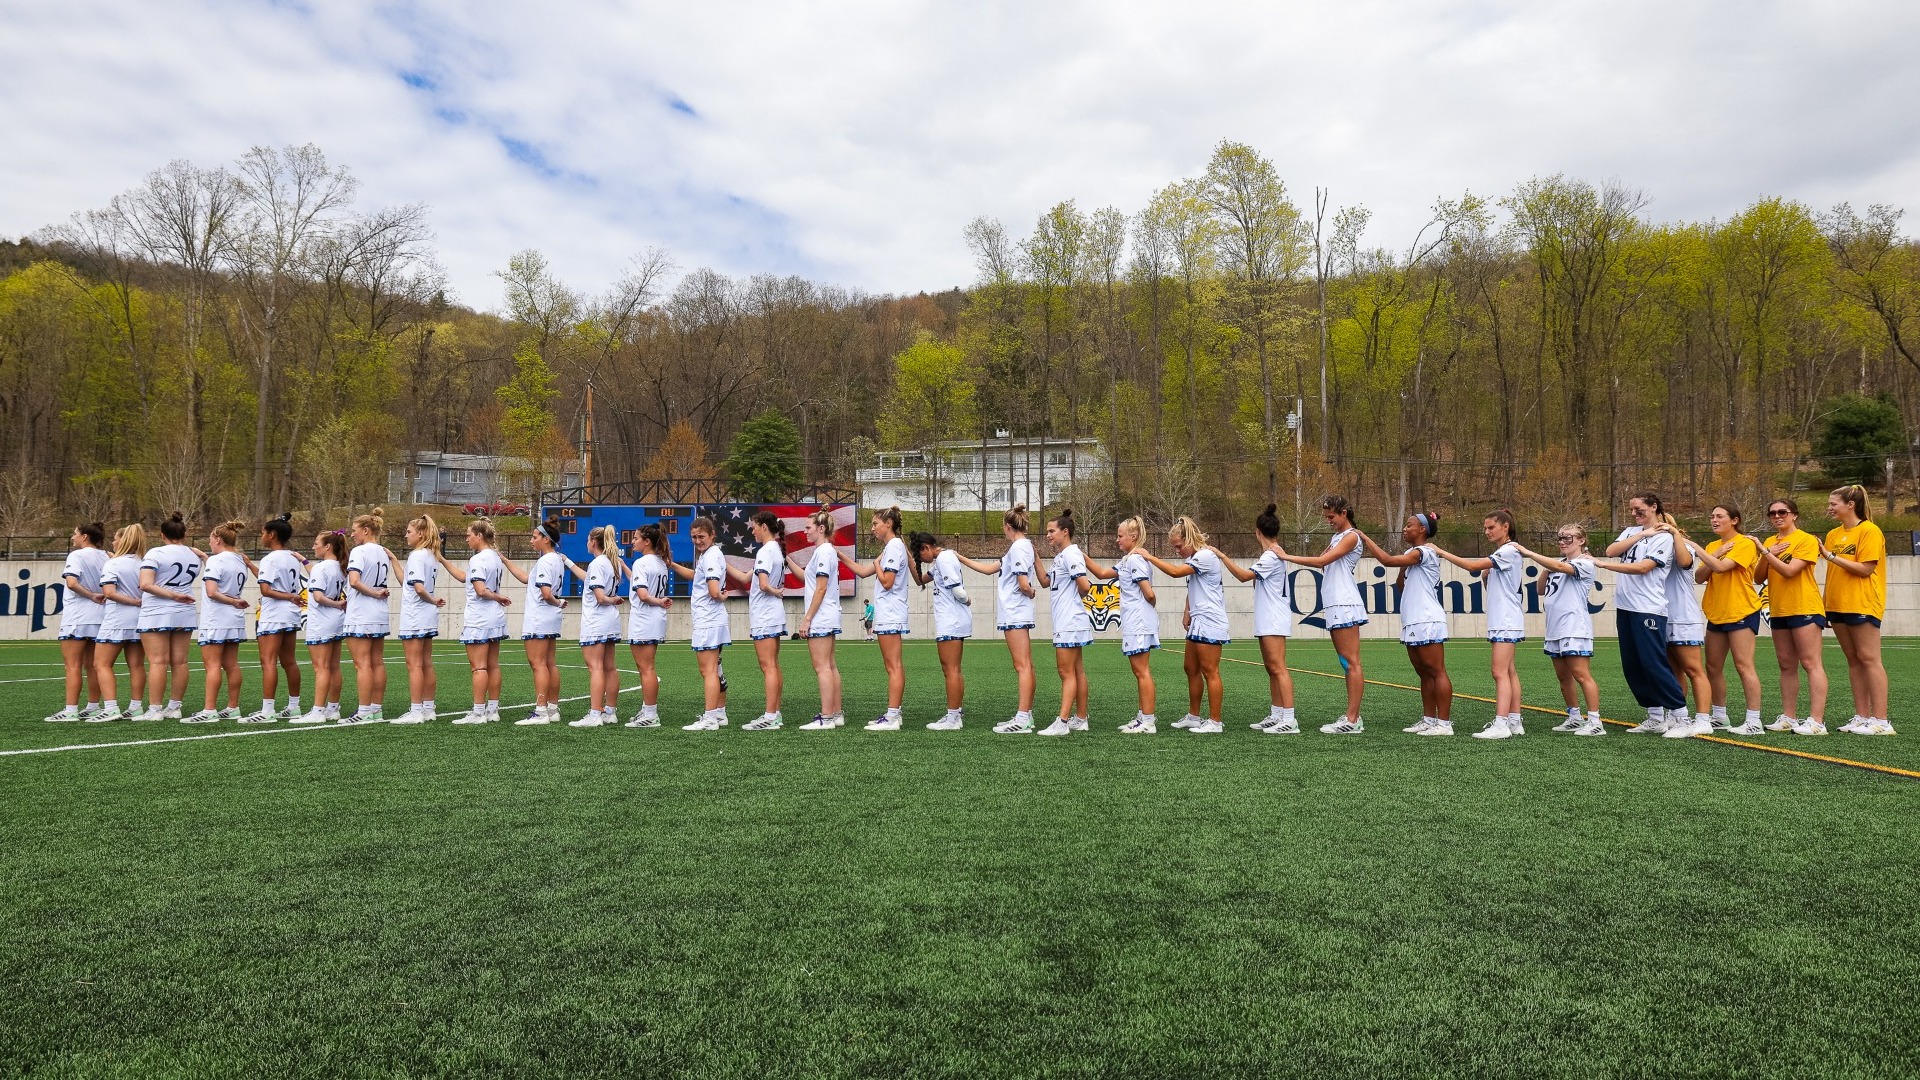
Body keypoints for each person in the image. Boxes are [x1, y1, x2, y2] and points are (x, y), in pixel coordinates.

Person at [1593, 492, 1689, 734]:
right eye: (1632, 509)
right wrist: (1642, 534)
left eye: (1639, 509)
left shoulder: (1665, 537)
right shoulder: (1632, 532)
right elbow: (1611, 550)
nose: (1634, 513)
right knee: (1633, 665)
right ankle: (1655, 716)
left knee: (1654, 663)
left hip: (1648, 608)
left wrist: (1606, 566)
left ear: (1654, 506)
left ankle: (1681, 717)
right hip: (1625, 607)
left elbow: (1644, 567)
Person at [1277, 495, 1369, 734]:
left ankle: (1353, 719)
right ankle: (1351, 716)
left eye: (1331, 517)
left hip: (1345, 603)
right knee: (1345, 662)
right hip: (1335, 603)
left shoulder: (1351, 536)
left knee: (1352, 662)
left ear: (1344, 514)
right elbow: (1323, 559)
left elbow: (1321, 561)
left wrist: (1286, 556)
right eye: (1326, 517)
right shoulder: (1338, 536)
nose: (1328, 521)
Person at [1431, 509, 1527, 740]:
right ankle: (1514, 721)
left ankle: (1502, 723)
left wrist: (1441, 551)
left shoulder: (1508, 550)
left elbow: (1471, 567)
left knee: (1499, 671)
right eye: (1485, 528)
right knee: (1509, 671)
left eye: (1491, 527)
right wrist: (1486, 577)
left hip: (1505, 619)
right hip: (1504, 618)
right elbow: (1489, 582)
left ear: (1505, 526)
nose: (1486, 532)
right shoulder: (1503, 554)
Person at [1357, 512, 1452, 736]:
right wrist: (1404, 564)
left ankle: (1445, 724)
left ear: (1422, 530)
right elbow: (1401, 585)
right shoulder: (1412, 554)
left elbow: (1387, 561)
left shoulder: (1425, 551)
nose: (1405, 529)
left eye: (1410, 525)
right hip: (1413, 620)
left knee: (1437, 671)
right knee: (1424, 673)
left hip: (1427, 618)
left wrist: (1364, 537)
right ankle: (1429, 719)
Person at [1136, 516, 1227, 734]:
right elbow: (1193, 587)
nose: (1177, 551)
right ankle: (1194, 716)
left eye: (1178, 546)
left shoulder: (1205, 556)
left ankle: (1215, 721)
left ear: (1188, 539)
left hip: (1210, 620)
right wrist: (1187, 612)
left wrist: (1149, 557)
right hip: (1198, 619)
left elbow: (1175, 573)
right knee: (1191, 668)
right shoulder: (1196, 558)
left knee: (1210, 671)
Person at [1217, 506, 1301, 734]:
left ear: (1257, 532)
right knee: (1271, 668)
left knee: (1279, 667)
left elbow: (1244, 577)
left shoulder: (1272, 555)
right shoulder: (1272, 554)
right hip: (1267, 617)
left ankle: (1290, 718)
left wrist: (1222, 556)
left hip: (1274, 617)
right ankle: (1276, 714)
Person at [957, 505, 1040, 733]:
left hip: (1015, 612)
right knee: (1025, 665)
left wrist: (1031, 592)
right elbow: (988, 569)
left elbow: (1024, 584)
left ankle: (1023, 718)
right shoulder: (1018, 548)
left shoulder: (1020, 547)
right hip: (1014, 612)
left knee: (1022, 665)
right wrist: (960, 557)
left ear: (1007, 526)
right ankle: (1025, 714)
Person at [1516, 524, 1603, 737]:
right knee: (1563, 676)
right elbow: (1539, 589)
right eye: (1560, 539)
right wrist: (1548, 567)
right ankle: (1574, 717)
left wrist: (1529, 553)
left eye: (1568, 538)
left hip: (1574, 626)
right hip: (1555, 627)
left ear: (1582, 541)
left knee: (1581, 675)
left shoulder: (1585, 562)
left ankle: (1595, 721)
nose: (1563, 542)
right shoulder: (1559, 563)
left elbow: (1565, 569)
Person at [1755, 497, 1828, 735]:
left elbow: (1789, 571)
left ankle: (1817, 721)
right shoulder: (1770, 542)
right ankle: (1789, 717)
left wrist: (1766, 552)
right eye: (1772, 513)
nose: (1777, 516)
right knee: (1786, 664)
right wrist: (1766, 552)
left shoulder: (1806, 540)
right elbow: (1758, 577)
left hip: (1804, 607)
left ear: (1794, 515)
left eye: (1782, 512)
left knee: (1810, 662)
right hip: (1780, 609)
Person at [1822, 484, 1890, 735]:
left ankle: (1881, 720)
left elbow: (1865, 569)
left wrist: (1830, 556)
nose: (1829, 508)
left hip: (1862, 603)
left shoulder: (1869, 530)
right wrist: (1826, 604)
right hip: (1837, 605)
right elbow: (1831, 574)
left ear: (1850, 505)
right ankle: (1862, 716)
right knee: (1853, 661)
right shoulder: (1833, 535)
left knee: (1870, 659)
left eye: (1833, 504)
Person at [1019, 508, 1092, 736]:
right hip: (1069, 621)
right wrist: (1035, 556)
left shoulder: (1071, 554)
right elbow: (1044, 581)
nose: (1048, 535)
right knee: (1076, 671)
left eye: (1051, 531)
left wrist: (1075, 601)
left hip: (1069, 622)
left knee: (1066, 672)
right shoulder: (1061, 556)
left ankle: (1062, 722)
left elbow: (1086, 586)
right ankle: (1081, 719)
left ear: (1065, 532)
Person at [1086, 516, 1161, 734]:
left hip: (1139, 622)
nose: (1117, 540)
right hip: (1135, 621)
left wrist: (1150, 606)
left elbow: (1149, 593)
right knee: (1138, 671)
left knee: (1142, 671)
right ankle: (1142, 717)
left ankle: (1148, 721)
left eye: (1120, 536)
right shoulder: (1127, 560)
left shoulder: (1135, 560)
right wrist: (1081, 556)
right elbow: (1101, 574)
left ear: (1133, 536)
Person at [1694, 505, 1765, 735]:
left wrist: (1699, 550)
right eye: (1712, 516)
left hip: (1741, 610)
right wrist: (1713, 553)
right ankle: (1719, 716)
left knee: (1744, 666)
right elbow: (1699, 576)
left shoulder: (1744, 543)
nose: (1713, 520)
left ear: (1734, 520)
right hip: (1717, 612)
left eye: (1719, 516)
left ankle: (1754, 721)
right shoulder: (1713, 546)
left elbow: (1723, 568)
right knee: (1712, 667)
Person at [840, 506, 911, 731]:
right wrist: (840, 555)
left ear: (888, 524)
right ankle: (893, 714)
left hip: (891, 613)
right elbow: (862, 571)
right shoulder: (892, 547)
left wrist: (879, 565)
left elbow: (887, 582)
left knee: (894, 666)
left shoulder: (894, 547)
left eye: (875, 524)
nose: (872, 529)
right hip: (888, 613)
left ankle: (893, 716)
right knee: (891, 665)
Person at [438, 520, 512, 725]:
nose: (466, 538)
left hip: (480, 617)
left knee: (479, 668)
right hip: (494, 617)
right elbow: (466, 578)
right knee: (493, 665)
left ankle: (478, 712)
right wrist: (443, 561)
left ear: (479, 535)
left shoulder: (479, 559)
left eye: (469, 534)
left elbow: (480, 590)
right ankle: (493, 710)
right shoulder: (495, 557)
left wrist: (498, 597)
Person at [137, 513, 205, 721]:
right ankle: (175, 707)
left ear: (162, 534)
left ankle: (155, 709)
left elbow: (145, 584)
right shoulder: (193, 555)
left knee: (158, 662)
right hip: (184, 610)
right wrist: (201, 554)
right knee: (180, 662)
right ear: (184, 534)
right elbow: (212, 566)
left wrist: (172, 595)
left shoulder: (155, 553)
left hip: (158, 611)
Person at [185, 521, 253, 723]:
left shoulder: (217, 560)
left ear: (218, 540)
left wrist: (232, 600)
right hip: (234, 618)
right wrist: (205, 557)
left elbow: (212, 592)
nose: (210, 544)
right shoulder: (240, 560)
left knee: (212, 665)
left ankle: (209, 710)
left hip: (216, 619)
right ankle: (233, 707)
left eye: (211, 541)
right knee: (231, 664)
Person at [504, 518, 569, 725]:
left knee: (538, 664)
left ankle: (540, 711)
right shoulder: (556, 560)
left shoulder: (545, 561)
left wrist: (557, 603)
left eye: (534, 537)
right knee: (549, 663)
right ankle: (552, 709)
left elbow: (546, 593)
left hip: (539, 617)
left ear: (546, 539)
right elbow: (526, 579)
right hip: (549, 618)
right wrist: (505, 561)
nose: (531, 541)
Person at [670, 515, 732, 730]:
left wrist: (720, 595)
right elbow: (697, 576)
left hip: (708, 620)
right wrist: (672, 564)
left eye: (701, 536)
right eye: (694, 537)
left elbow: (714, 590)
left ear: (712, 535)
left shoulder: (711, 556)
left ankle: (710, 718)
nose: (697, 541)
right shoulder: (710, 555)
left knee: (708, 671)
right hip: (712, 620)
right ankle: (720, 713)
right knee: (715, 669)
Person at [45, 521, 108, 722]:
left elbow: (71, 583)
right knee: (93, 665)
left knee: (72, 665)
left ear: (85, 537)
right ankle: (93, 706)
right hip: (100, 617)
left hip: (78, 617)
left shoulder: (77, 555)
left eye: (75, 533)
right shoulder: (107, 556)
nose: (73, 537)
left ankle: (70, 710)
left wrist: (90, 595)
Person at [1659, 517, 1715, 739]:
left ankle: (1703, 719)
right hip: (1663, 615)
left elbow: (1684, 563)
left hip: (1683, 616)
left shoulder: (1685, 546)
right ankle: (1676, 714)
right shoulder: (1652, 546)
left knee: (1694, 669)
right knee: (1674, 671)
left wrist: (1674, 534)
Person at [343, 509, 401, 724]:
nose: (352, 534)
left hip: (362, 612)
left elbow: (355, 581)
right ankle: (376, 709)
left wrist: (374, 592)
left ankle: (364, 710)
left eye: (354, 530)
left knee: (362, 664)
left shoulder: (360, 552)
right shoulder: (383, 551)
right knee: (377, 662)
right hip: (378, 612)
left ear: (366, 530)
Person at [790, 510, 847, 731]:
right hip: (828, 614)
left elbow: (820, 588)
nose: (804, 531)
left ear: (821, 529)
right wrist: (788, 560)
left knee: (822, 667)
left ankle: (826, 717)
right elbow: (809, 579)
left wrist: (807, 619)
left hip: (822, 616)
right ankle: (835, 713)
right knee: (830, 667)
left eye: (808, 527)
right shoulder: (825, 551)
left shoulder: (823, 552)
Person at [910, 530, 972, 730]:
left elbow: (957, 590)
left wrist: (967, 599)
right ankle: (956, 712)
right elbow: (921, 580)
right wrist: (909, 558)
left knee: (950, 669)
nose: (923, 560)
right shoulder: (941, 560)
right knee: (954, 669)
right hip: (953, 620)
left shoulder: (944, 559)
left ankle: (953, 718)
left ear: (927, 547)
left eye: (921, 555)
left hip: (950, 621)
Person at [247, 513, 306, 724]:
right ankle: (293, 706)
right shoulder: (291, 557)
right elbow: (269, 579)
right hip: (290, 614)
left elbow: (266, 589)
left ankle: (268, 709)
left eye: (263, 533)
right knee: (289, 661)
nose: (261, 536)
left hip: (274, 614)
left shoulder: (270, 558)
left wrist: (288, 595)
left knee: (268, 661)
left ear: (272, 535)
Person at [389, 515, 447, 725]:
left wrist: (432, 600)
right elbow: (408, 581)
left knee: (414, 664)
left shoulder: (417, 555)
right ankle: (428, 708)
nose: (406, 536)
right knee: (426, 663)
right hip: (426, 615)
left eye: (409, 532)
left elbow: (418, 588)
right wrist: (394, 560)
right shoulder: (432, 555)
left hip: (416, 615)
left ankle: (416, 711)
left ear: (420, 534)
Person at [568, 524, 627, 728]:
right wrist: (567, 562)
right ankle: (610, 711)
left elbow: (600, 597)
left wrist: (613, 599)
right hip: (610, 621)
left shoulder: (598, 563)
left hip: (596, 621)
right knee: (610, 667)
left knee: (595, 667)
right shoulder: (613, 562)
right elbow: (590, 582)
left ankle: (595, 713)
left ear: (593, 542)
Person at [737, 511, 790, 731]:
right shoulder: (775, 549)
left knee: (767, 666)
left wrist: (775, 592)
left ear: (764, 527)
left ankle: (770, 716)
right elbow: (745, 577)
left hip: (765, 615)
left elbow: (762, 583)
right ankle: (774, 713)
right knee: (773, 666)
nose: (752, 530)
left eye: (754, 526)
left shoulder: (766, 551)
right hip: (772, 614)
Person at [90, 524, 148, 721]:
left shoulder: (114, 564)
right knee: (137, 665)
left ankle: (111, 707)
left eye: (115, 538)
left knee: (101, 663)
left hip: (117, 619)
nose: (113, 542)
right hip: (140, 619)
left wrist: (133, 601)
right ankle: (136, 706)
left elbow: (109, 593)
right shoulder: (144, 562)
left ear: (123, 540)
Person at [294, 531, 349, 724]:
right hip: (336, 621)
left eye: (316, 543)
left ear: (327, 546)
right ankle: (333, 708)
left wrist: (336, 604)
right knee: (333, 666)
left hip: (322, 621)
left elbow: (317, 596)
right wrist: (303, 560)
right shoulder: (340, 566)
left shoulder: (322, 567)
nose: (313, 546)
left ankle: (317, 710)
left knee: (321, 668)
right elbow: (317, 576)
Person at [623, 524, 673, 729]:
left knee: (646, 668)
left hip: (644, 618)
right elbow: (639, 584)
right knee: (646, 667)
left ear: (647, 542)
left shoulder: (642, 563)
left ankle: (651, 713)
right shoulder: (660, 562)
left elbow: (643, 595)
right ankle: (647, 709)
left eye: (636, 538)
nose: (632, 541)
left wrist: (659, 601)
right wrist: (624, 567)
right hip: (655, 619)